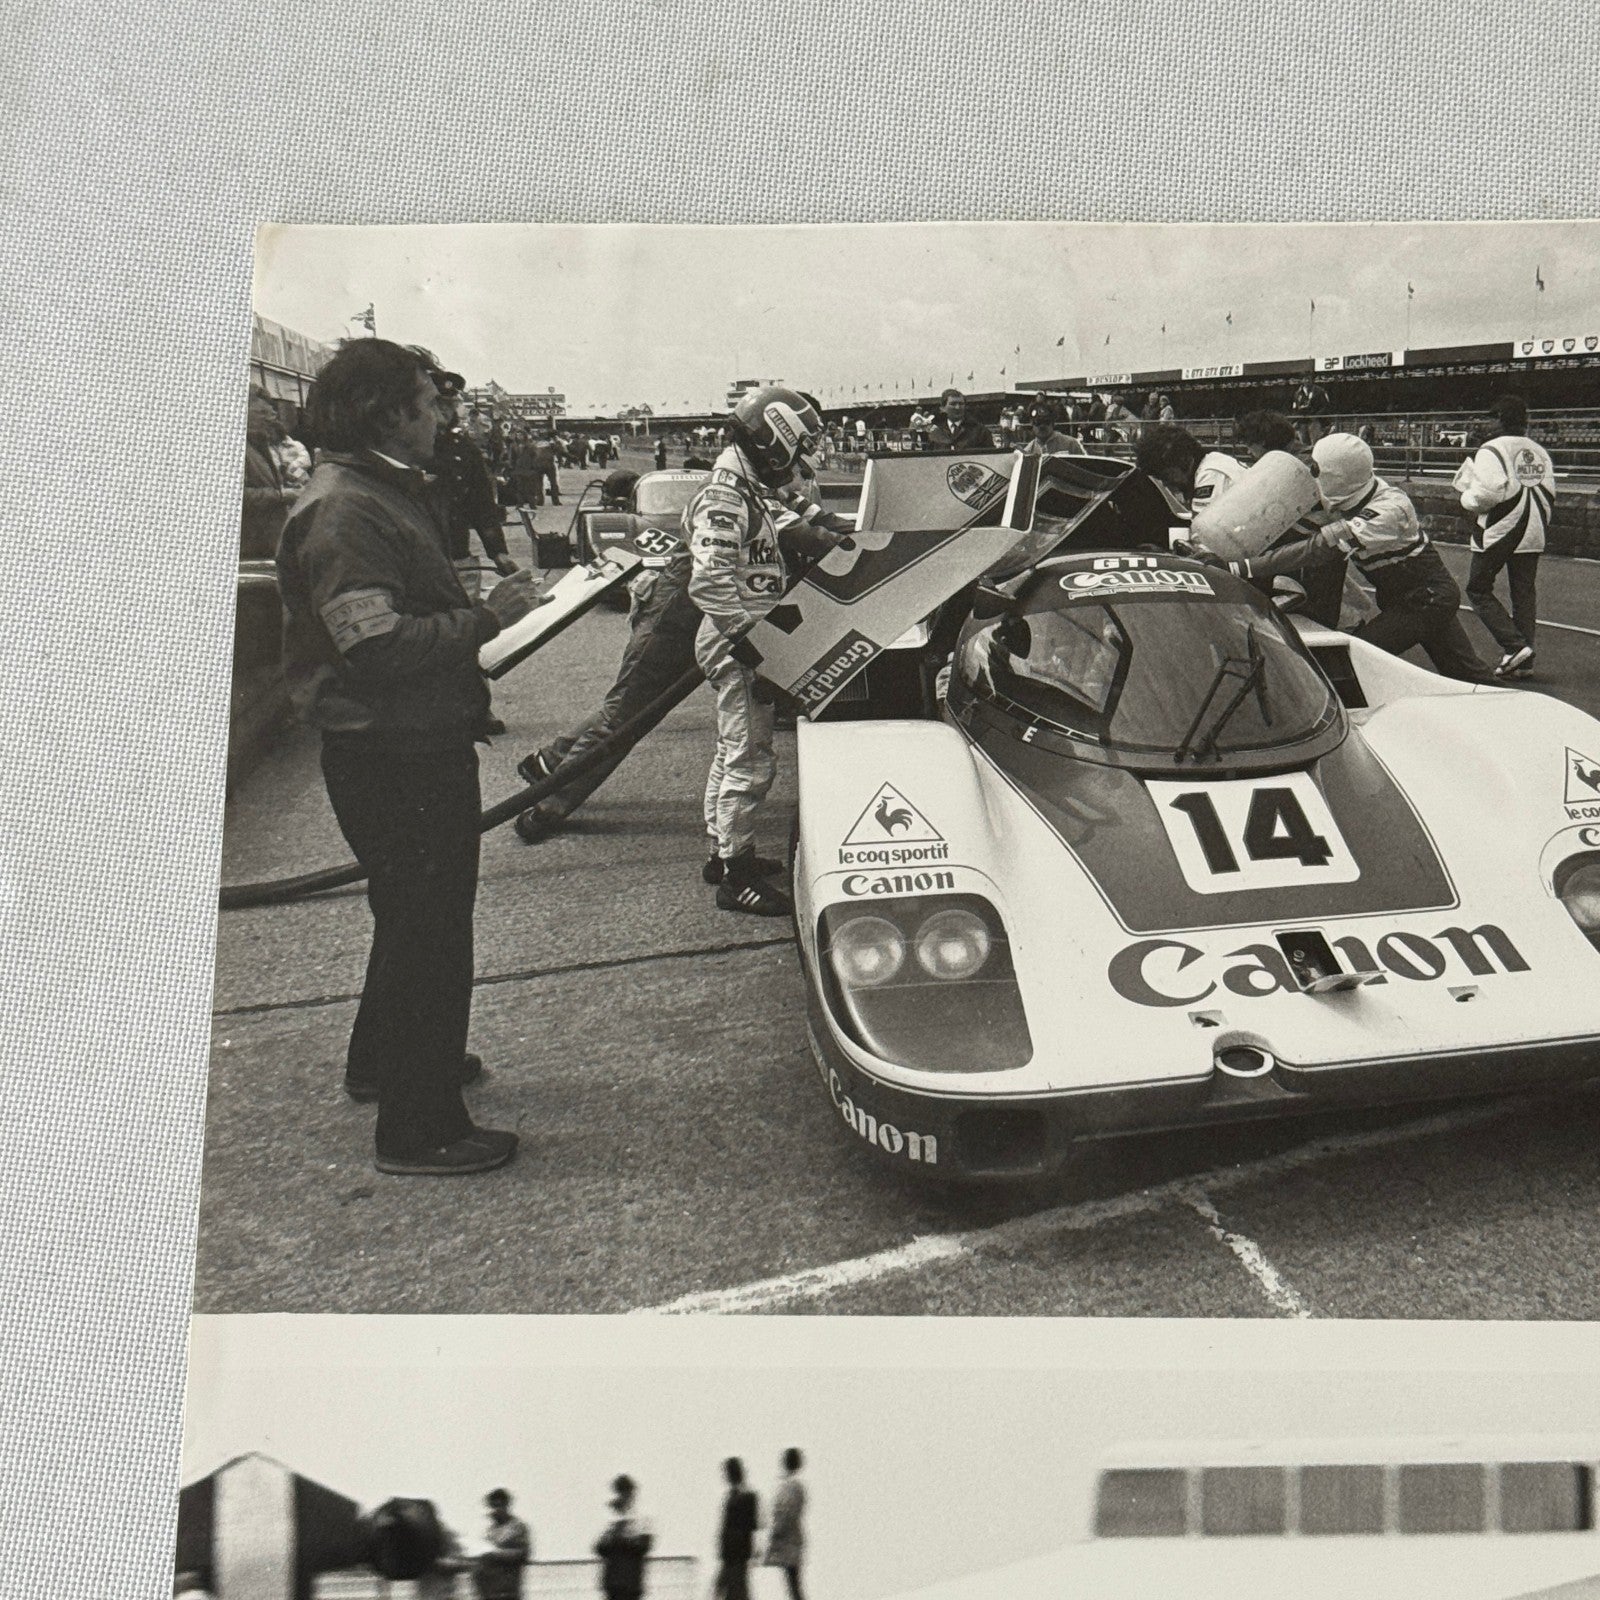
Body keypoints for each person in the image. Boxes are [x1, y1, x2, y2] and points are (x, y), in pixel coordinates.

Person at [276, 339, 541, 1174]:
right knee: (430, 933)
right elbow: (377, 646)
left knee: (407, 920)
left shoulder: (369, 493)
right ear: (386, 413)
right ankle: (420, 1127)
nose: (443, 417)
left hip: (397, 745)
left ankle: (382, 1062)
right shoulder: (348, 509)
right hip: (397, 752)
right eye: (429, 404)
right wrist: (486, 619)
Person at [688, 385, 849, 915]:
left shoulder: (749, 485)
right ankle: (736, 875)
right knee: (750, 759)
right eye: (798, 447)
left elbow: (798, 513)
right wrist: (749, 645)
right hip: (739, 640)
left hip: (741, 637)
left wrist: (843, 529)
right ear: (775, 440)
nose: (801, 462)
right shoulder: (726, 496)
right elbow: (708, 584)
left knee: (731, 747)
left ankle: (722, 849)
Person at [1203, 433, 1487, 681]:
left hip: (1426, 600)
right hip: (1411, 599)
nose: (1311, 474)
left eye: (1316, 469)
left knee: (1355, 658)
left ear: (1336, 476)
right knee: (1465, 672)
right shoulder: (1349, 493)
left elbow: (1316, 549)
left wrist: (1240, 567)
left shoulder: (1389, 509)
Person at [512, 467, 696, 843]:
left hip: (690, 612)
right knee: (628, 715)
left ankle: (549, 760)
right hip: (677, 614)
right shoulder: (734, 495)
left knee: (632, 704)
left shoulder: (755, 490)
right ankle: (552, 804)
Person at [1457, 393, 1555, 677]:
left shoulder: (1491, 449)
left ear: (1499, 419)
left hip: (1502, 528)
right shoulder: (1539, 450)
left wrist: (1466, 497)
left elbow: (1486, 494)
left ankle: (1513, 644)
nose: (1487, 423)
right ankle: (1524, 660)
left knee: (1478, 587)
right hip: (1534, 528)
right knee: (1523, 592)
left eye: (1490, 417)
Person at [242, 386, 298, 558]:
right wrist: (282, 495)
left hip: (269, 542)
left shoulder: (258, 444)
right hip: (252, 549)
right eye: (263, 415)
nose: (270, 420)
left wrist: (284, 480)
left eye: (270, 415)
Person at [595, 1476, 653, 1600]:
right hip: (612, 1582)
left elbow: (644, 1546)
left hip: (631, 1582)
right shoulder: (610, 1518)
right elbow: (599, 1548)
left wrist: (621, 1536)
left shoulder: (642, 1519)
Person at [763, 1449, 806, 1600]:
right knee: (793, 1584)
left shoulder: (789, 1486)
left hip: (787, 1542)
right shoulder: (798, 1486)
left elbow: (784, 1514)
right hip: (794, 1540)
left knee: (793, 1585)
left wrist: (774, 1536)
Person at [715, 1458, 760, 1600]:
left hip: (735, 1553)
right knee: (732, 1590)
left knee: (731, 1590)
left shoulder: (741, 1496)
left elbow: (750, 1525)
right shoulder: (745, 1495)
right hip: (735, 1553)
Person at [475, 1488, 532, 1600]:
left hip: (508, 1591)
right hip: (489, 1592)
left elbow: (523, 1554)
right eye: (491, 1507)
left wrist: (496, 1554)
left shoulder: (517, 1527)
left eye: (497, 1506)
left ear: (506, 1506)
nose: (493, 1510)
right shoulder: (490, 1531)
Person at [928, 388, 992, 452]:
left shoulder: (980, 432)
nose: (957, 407)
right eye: (953, 404)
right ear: (942, 408)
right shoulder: (935, 434)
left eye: (961, 404)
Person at [1020, 400, 1086, 456]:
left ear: (1053, 422)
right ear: (1032, 424)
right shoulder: (1028, 451)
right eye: (1038, 422)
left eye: (1046, 421)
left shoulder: (1071, 444)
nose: (1042, 426)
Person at [1291, 377, 1331, 443]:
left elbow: (1325, 406)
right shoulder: (1298, 393)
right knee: (1304, 442)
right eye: (1304, 379)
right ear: (1302, 380)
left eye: (1308, 379)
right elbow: (1295, 408)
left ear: (1312, 380)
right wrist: (1295, 420)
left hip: (1315, 420)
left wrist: (1317, 416)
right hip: (1302, 421)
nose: (1307, 381)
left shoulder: (1319, 391)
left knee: (1315, 441)